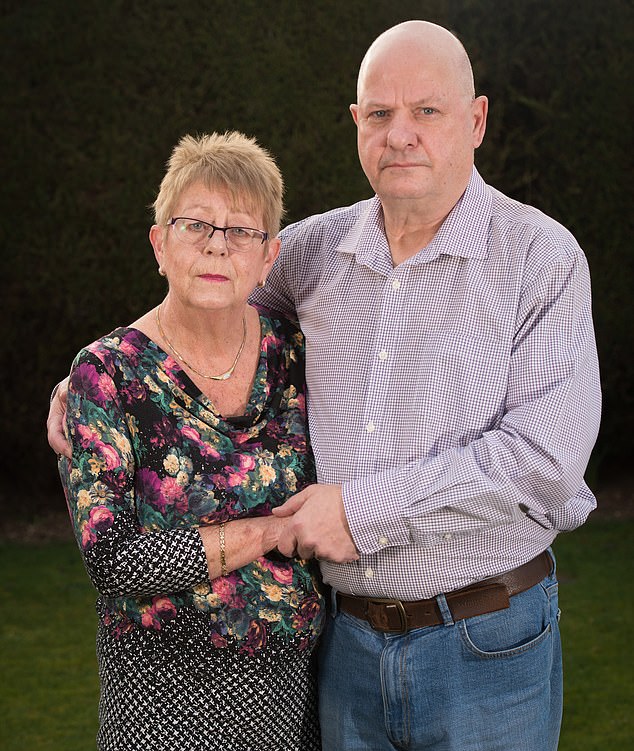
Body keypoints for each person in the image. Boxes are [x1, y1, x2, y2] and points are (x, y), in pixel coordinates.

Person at [49, 20, 602, 751]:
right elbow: (203, 291)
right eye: (379, 113)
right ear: (355, 124)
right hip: (346, 653)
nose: (400, 134)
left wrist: (359, 510)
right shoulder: (312, 252)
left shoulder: (540, 258)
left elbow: (544, 461)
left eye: (426, 111)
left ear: (476, 120)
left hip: (485, 642)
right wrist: (92, 377)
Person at [54, 131, 324, 751]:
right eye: (195, 224)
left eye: (241, 231)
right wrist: (267, 533)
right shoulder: (109, 374)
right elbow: (112, 560)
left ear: (269, 255)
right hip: (161, 706)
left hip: (296, 702)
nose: (216, 246)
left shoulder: (298, 354)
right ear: (158, 243)